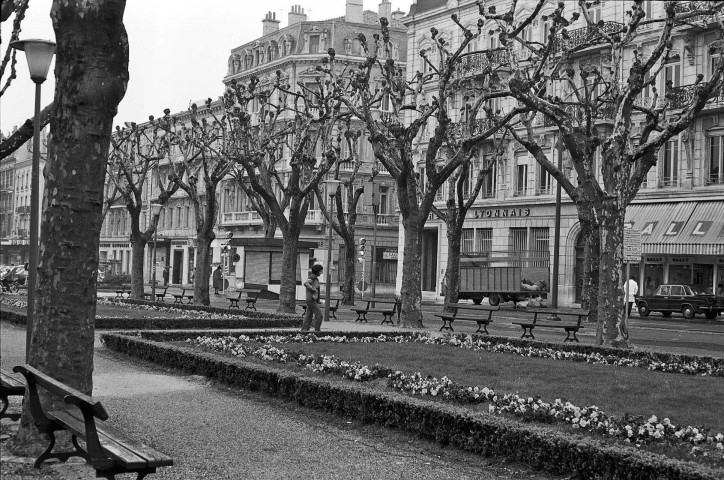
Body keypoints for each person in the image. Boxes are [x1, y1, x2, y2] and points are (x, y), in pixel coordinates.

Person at [301, 264, 323, 332]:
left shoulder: (314, 278)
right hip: (311, 300)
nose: (321, 272)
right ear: (317, 271)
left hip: (313, 299)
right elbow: (306, 283)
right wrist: (313, 289)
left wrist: (318, 299)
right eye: (320, 271)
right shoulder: (312, 277)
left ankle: (304, 330)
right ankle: (317, 330)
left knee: (308, 316)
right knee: (319, 315)